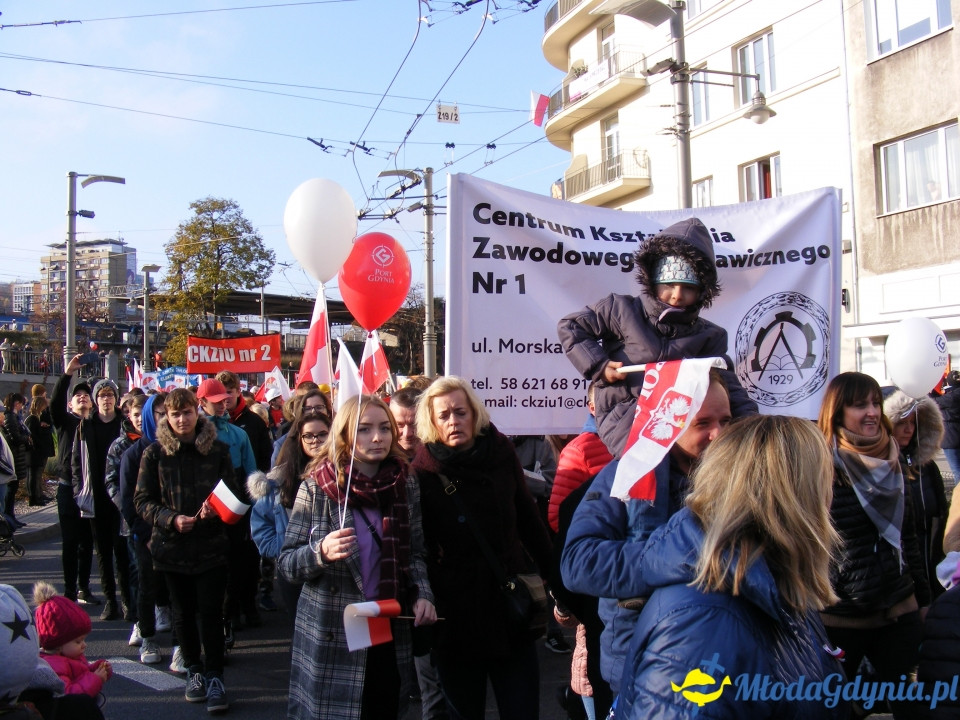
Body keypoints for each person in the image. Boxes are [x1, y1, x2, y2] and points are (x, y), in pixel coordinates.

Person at [617, 415, 846, 719]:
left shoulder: (774, 584)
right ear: (793, 497)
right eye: (824, 478)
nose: (832, 492)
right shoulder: (703, 626)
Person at [561, 369, 732, 705]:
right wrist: (673, 558)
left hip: (722, 663)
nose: (719, 435)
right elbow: (578, 563)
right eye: (703, 423)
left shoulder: (743, 479)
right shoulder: (626, 476)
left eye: (726, 421)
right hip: (645, 667)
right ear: (671, 421)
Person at [278, 394, 436, 720]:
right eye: (364, 429)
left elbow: (416, 553)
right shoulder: (318, 487)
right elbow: (287, 564)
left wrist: (422, 594)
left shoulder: (405, 483)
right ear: (346, 434)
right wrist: (320, 552)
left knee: (382, 706)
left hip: (387, 621)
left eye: (383, 428)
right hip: (335, 628)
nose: (376, 438)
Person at [410, 377, 552, 720]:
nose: (453, 421)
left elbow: (529, 521)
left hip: (508, 607)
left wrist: (560, 586)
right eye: (443, 415)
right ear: (431, 421)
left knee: (521, 711)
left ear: (475, 414)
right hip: (456, 615)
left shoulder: (501, 452)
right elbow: (417, 544)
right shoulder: (423, 470)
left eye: (460, 412)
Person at [557, 217, 756, 459]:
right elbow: (571, 327)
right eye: (669, 284)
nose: (677, 295)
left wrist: (754, 428)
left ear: (703, 290)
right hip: (626, 412)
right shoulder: (621, 310)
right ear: (652, 279)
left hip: (680, 421)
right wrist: (599, 366)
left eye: (689, 288)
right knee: (646, 475)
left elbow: (728, 386)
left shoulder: (709, 336)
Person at [817, 372, 930, 719]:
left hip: (899, 610)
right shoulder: (820, 468)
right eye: (858, 405)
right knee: (834, 711)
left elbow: (910, 539)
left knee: (917, 706)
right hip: (842, 618)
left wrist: (923, 601)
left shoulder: (896, 461)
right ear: (837, 412)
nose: (870, 412)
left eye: (875, 404)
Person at [134, 388, 238, 714]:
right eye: (175, 414)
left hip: (211, 547)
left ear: (198, 412)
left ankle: (215, 676)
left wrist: (216, 510)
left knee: (210, 612)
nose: (182, 419)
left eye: (187, 412)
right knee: (182, 614)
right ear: (166, 416)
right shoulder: (154, 454)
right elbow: (142, 501)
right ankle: (194, 670)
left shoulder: (218, 450)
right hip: (171, 549)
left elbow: (232, 491)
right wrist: (171, 518)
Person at [389, 385, 448, 720]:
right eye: (398, 425)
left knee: (433, 685)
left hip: (431, 583)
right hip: (392, 588)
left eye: (413, 424)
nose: (406, 433)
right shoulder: (374, 467)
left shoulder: (438, 464)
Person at [248, 410, 331, 617]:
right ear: (299, 439)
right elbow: (260, 524)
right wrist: (282, 548)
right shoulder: (279, 480)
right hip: (294, 569)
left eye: (322, 434)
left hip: (331, 567)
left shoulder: (344, 474)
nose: (315, 440)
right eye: (308, 435)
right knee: (300, 628)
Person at [196, 377, 260, 642]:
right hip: (202, 509)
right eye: (216, 402)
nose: (223, 405)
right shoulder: (193, 433)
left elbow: (251, 473)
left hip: (233, 509)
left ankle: (228, 616)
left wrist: (251, 506)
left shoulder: (239, 433)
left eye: (225, 399)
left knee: (235, 563)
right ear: (202, 403)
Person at [119, 393, 172, 667]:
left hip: (174, 531)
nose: (165, 419)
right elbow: (128, 500)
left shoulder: (178, 450)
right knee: (146, 586)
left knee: (175, 587)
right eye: (160, 413)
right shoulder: (134, 454)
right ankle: (147, 634)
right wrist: (146, 533)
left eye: (168, 413)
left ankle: (180, 643)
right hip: (146, 534)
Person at [72, 378, 130, 623]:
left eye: (110, 395)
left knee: (123, 552)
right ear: (96, 401)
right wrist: (79, 491)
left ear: (116, 399)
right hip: (95, 498)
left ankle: (127, 600)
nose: (106, 400)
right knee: (102, 552)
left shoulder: (124, 425)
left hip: (119, 497)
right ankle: (110, 601)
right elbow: (76, 463)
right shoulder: (85, 427)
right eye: (102, 396)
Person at [885, 390, 948, 600]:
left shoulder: (926, 467)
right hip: (901, 576)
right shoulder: (882, 469)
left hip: (932, 563)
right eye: (902, 422)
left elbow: (941, 512)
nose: (909, 429)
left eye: (913, 422)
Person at [51, 355, 98, 605]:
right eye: (77, 396)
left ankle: (83, 588)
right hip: (68, 489)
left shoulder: (95, 425)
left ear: (92, 404)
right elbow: (55, 404)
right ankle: (69, 591)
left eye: (86, 396)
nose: (82, 397)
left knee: (86, 543)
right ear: (71, 403)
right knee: (70, 542)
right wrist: (68, 374)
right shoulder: (66, 422)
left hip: (90, 492)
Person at [33, 581, 113, 700]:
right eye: (78, 641)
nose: (83, 645)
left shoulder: (70, 656)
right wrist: (96, 679)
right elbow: (69, 695)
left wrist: (96, 668)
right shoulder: (55, 666)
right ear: (58, 644)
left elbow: (81, 672)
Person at [2, 392, 32, 527]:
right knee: (10, 490)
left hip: (17, 457)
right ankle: (8, 518)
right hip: (13, 457)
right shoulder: (10, 417)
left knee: (13, 489)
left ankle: (11, 517)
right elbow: (14, 436)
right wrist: (26, 439)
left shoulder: (15, 417)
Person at [25, 395, 55, 506]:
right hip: (34, 452)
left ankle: (37, 495)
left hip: (36, 452)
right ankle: (34, 497)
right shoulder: (32, 419)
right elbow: (33, 435)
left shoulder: (37, 417)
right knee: (33, 475)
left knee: (37, 475)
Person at [936, 369, 960, 482]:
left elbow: (936, 402)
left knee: (957, 471)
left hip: (951, 438)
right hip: (954, 437)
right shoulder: (954, 394)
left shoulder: (953, 396)